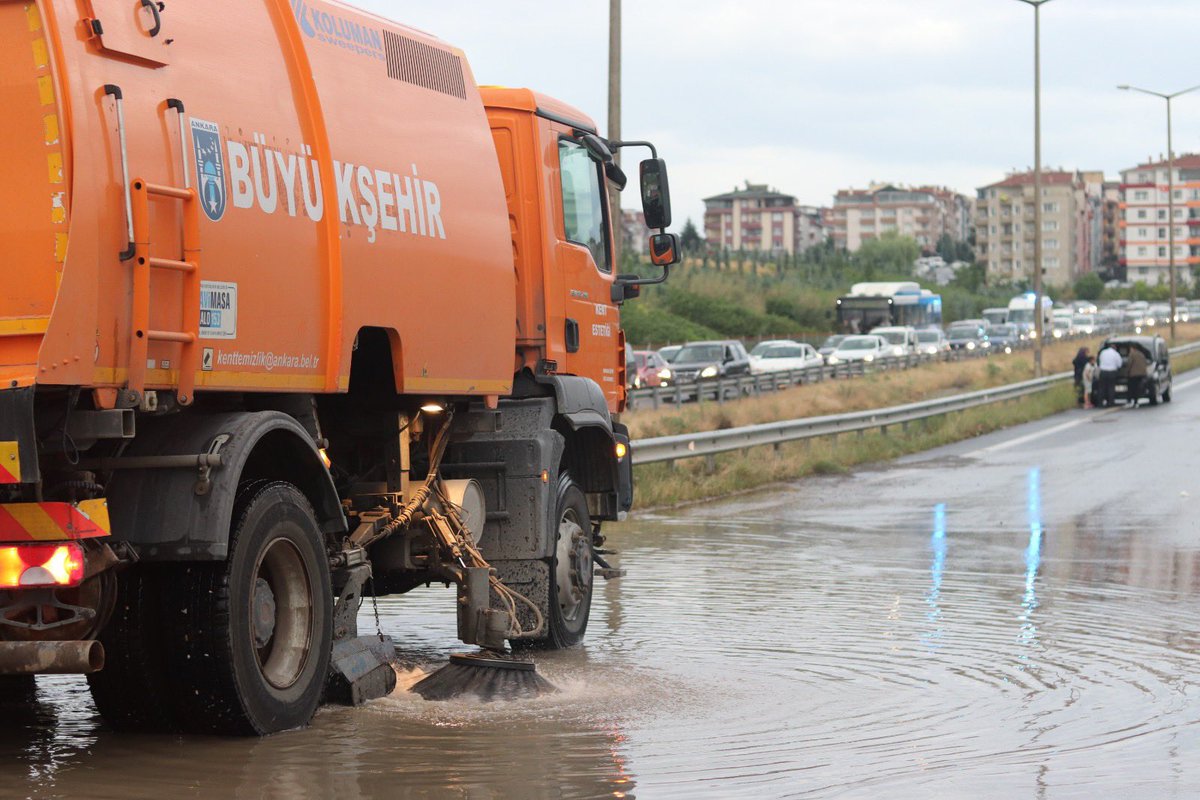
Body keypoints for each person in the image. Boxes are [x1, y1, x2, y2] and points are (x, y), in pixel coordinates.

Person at [1097, 342, 1123, 408]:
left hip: (1103, 372)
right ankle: (1110, 402)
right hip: (1112, 372)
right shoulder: (1116, 354)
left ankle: (1100, 403)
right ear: (1115, 348)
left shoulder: (1103, 352)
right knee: (1111, 388)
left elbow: (1099, 361)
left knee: (1102, 388)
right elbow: (1119, 364)